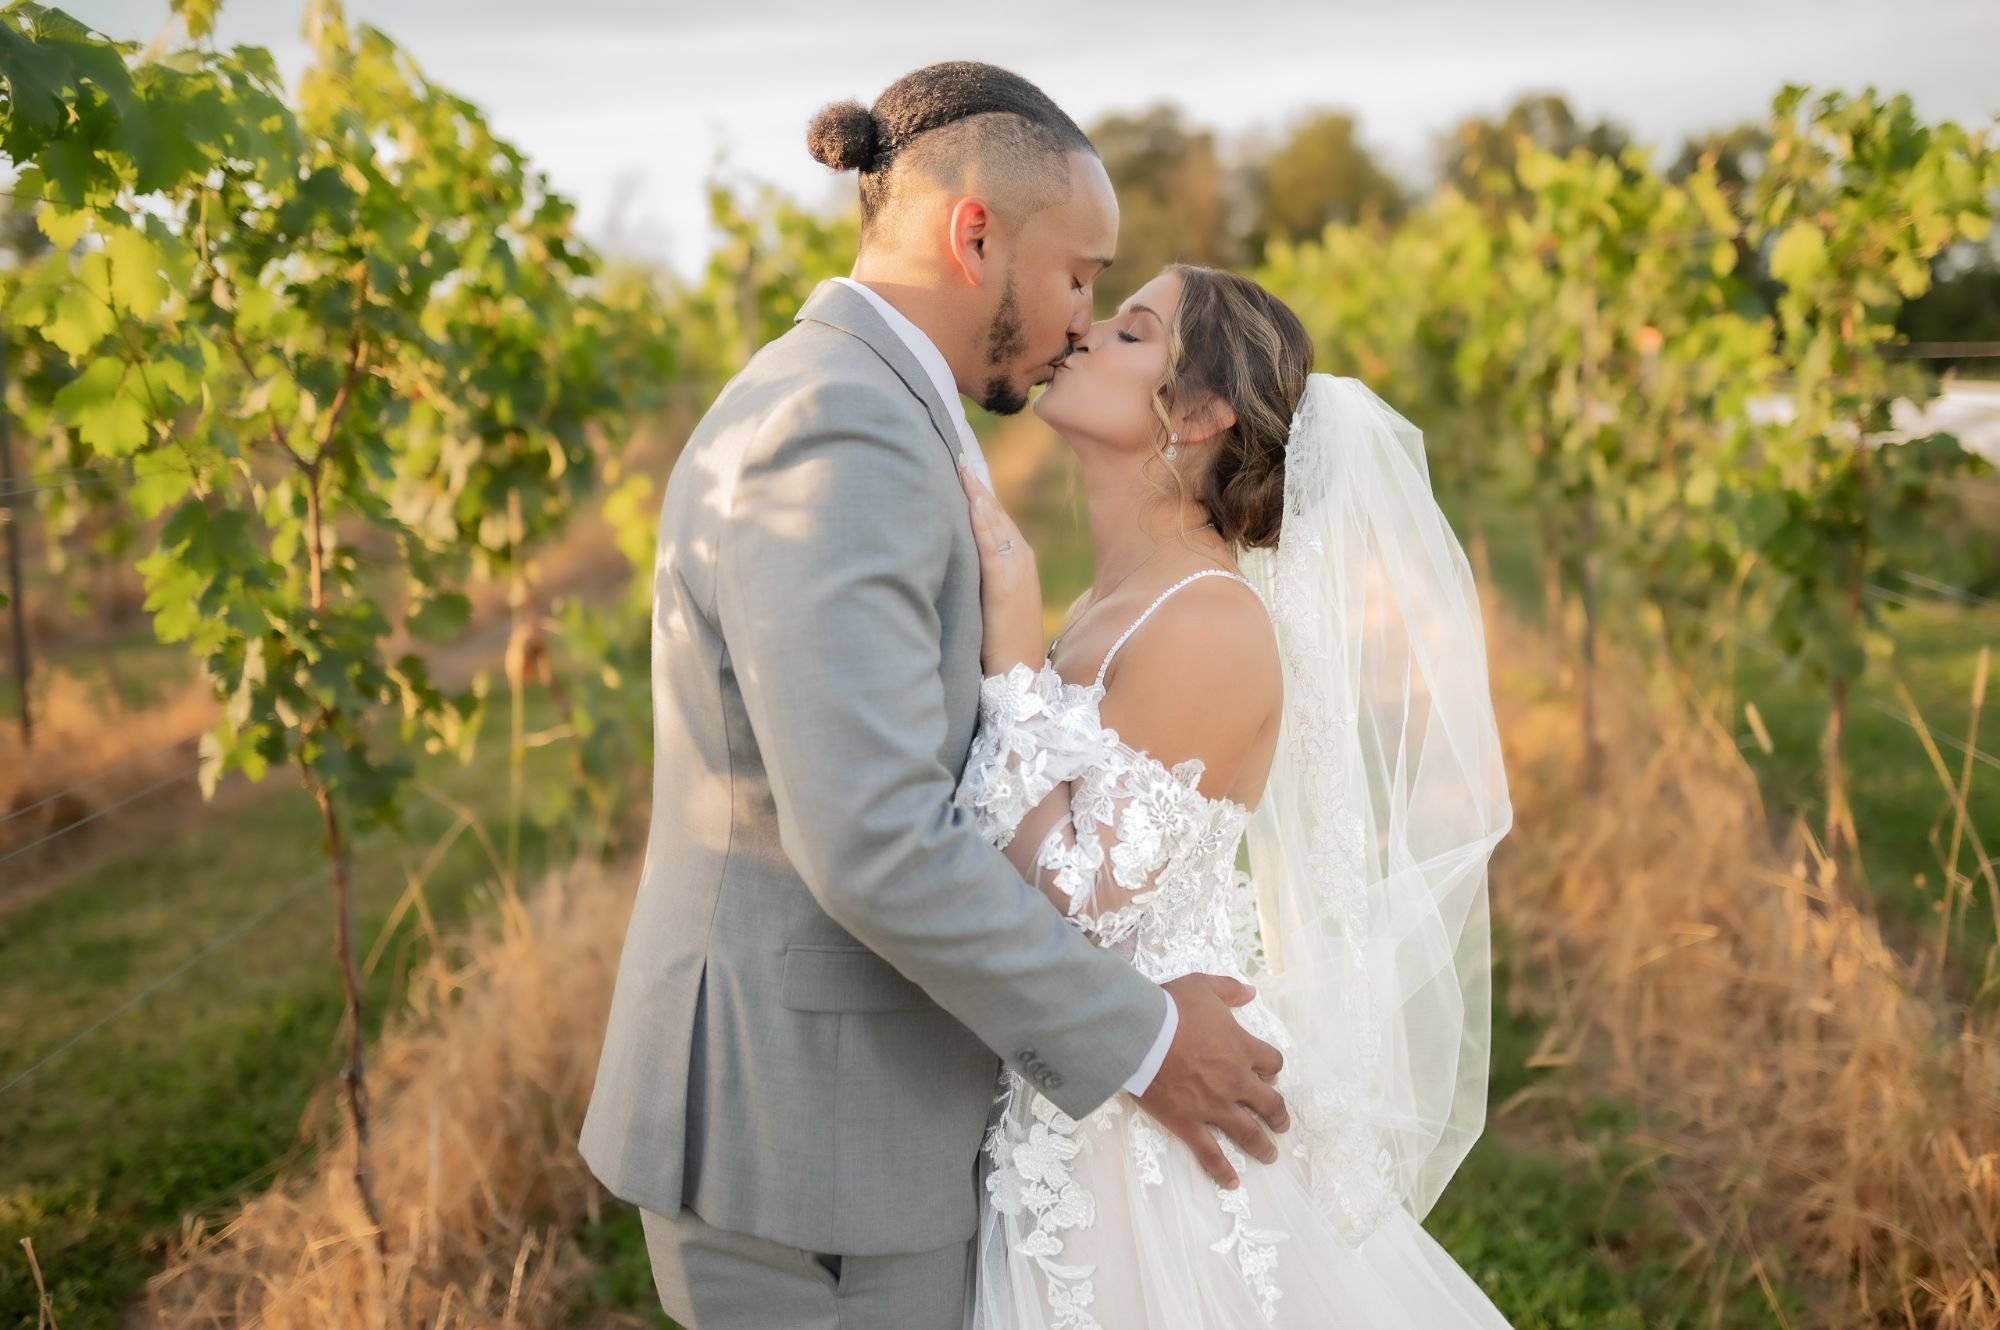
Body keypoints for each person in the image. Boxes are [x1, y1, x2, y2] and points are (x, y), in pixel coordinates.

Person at [578, 63, 1287, 1330]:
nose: (1081, 319)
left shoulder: (868, 398)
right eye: (1081, 276)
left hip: (852, 1124)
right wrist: (1141, 1040)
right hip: (811, 1140)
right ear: (976, 237)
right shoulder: (841, 427)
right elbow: (874, 837)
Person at [954, 263, 1517, 1328]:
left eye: (1130, 333)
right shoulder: (1116, 596)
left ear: (1200, 411)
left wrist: (1013, 659)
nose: (1081, 334)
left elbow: (1072, 897)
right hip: (1071, 1099)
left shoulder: (1207, 623)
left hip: (1146, 1144)